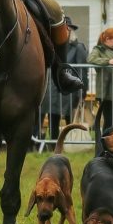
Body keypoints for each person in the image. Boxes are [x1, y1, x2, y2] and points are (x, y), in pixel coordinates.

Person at [39, 16, 88, 144]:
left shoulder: (78, 47)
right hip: (52, 88)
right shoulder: (52, 47)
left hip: (68, 88)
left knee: (69, 118)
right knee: (52, 116)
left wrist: (82, 90)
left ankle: (70, 144)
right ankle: (53, 144)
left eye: (67, 28)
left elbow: (82, 71)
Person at [88, 26, 113, 154]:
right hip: (106, 92)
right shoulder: (99, 49)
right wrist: (108, 61)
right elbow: (91, 59)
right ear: (107, 39)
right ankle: (104, 146)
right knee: (108, 121)